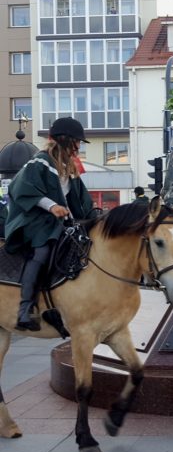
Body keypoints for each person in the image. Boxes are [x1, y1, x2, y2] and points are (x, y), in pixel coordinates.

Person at [5, 117, 94, 331]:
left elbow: (80, 201)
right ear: (65, 140)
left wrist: (96, 218)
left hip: (58, 223)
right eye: (77, 142)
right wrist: (52, 206)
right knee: (42, 252)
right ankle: (25, 309)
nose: (79, 146)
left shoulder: (69, 168)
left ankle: (59, 306)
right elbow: (21, 188)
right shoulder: (40, 161)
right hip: (35, 221)